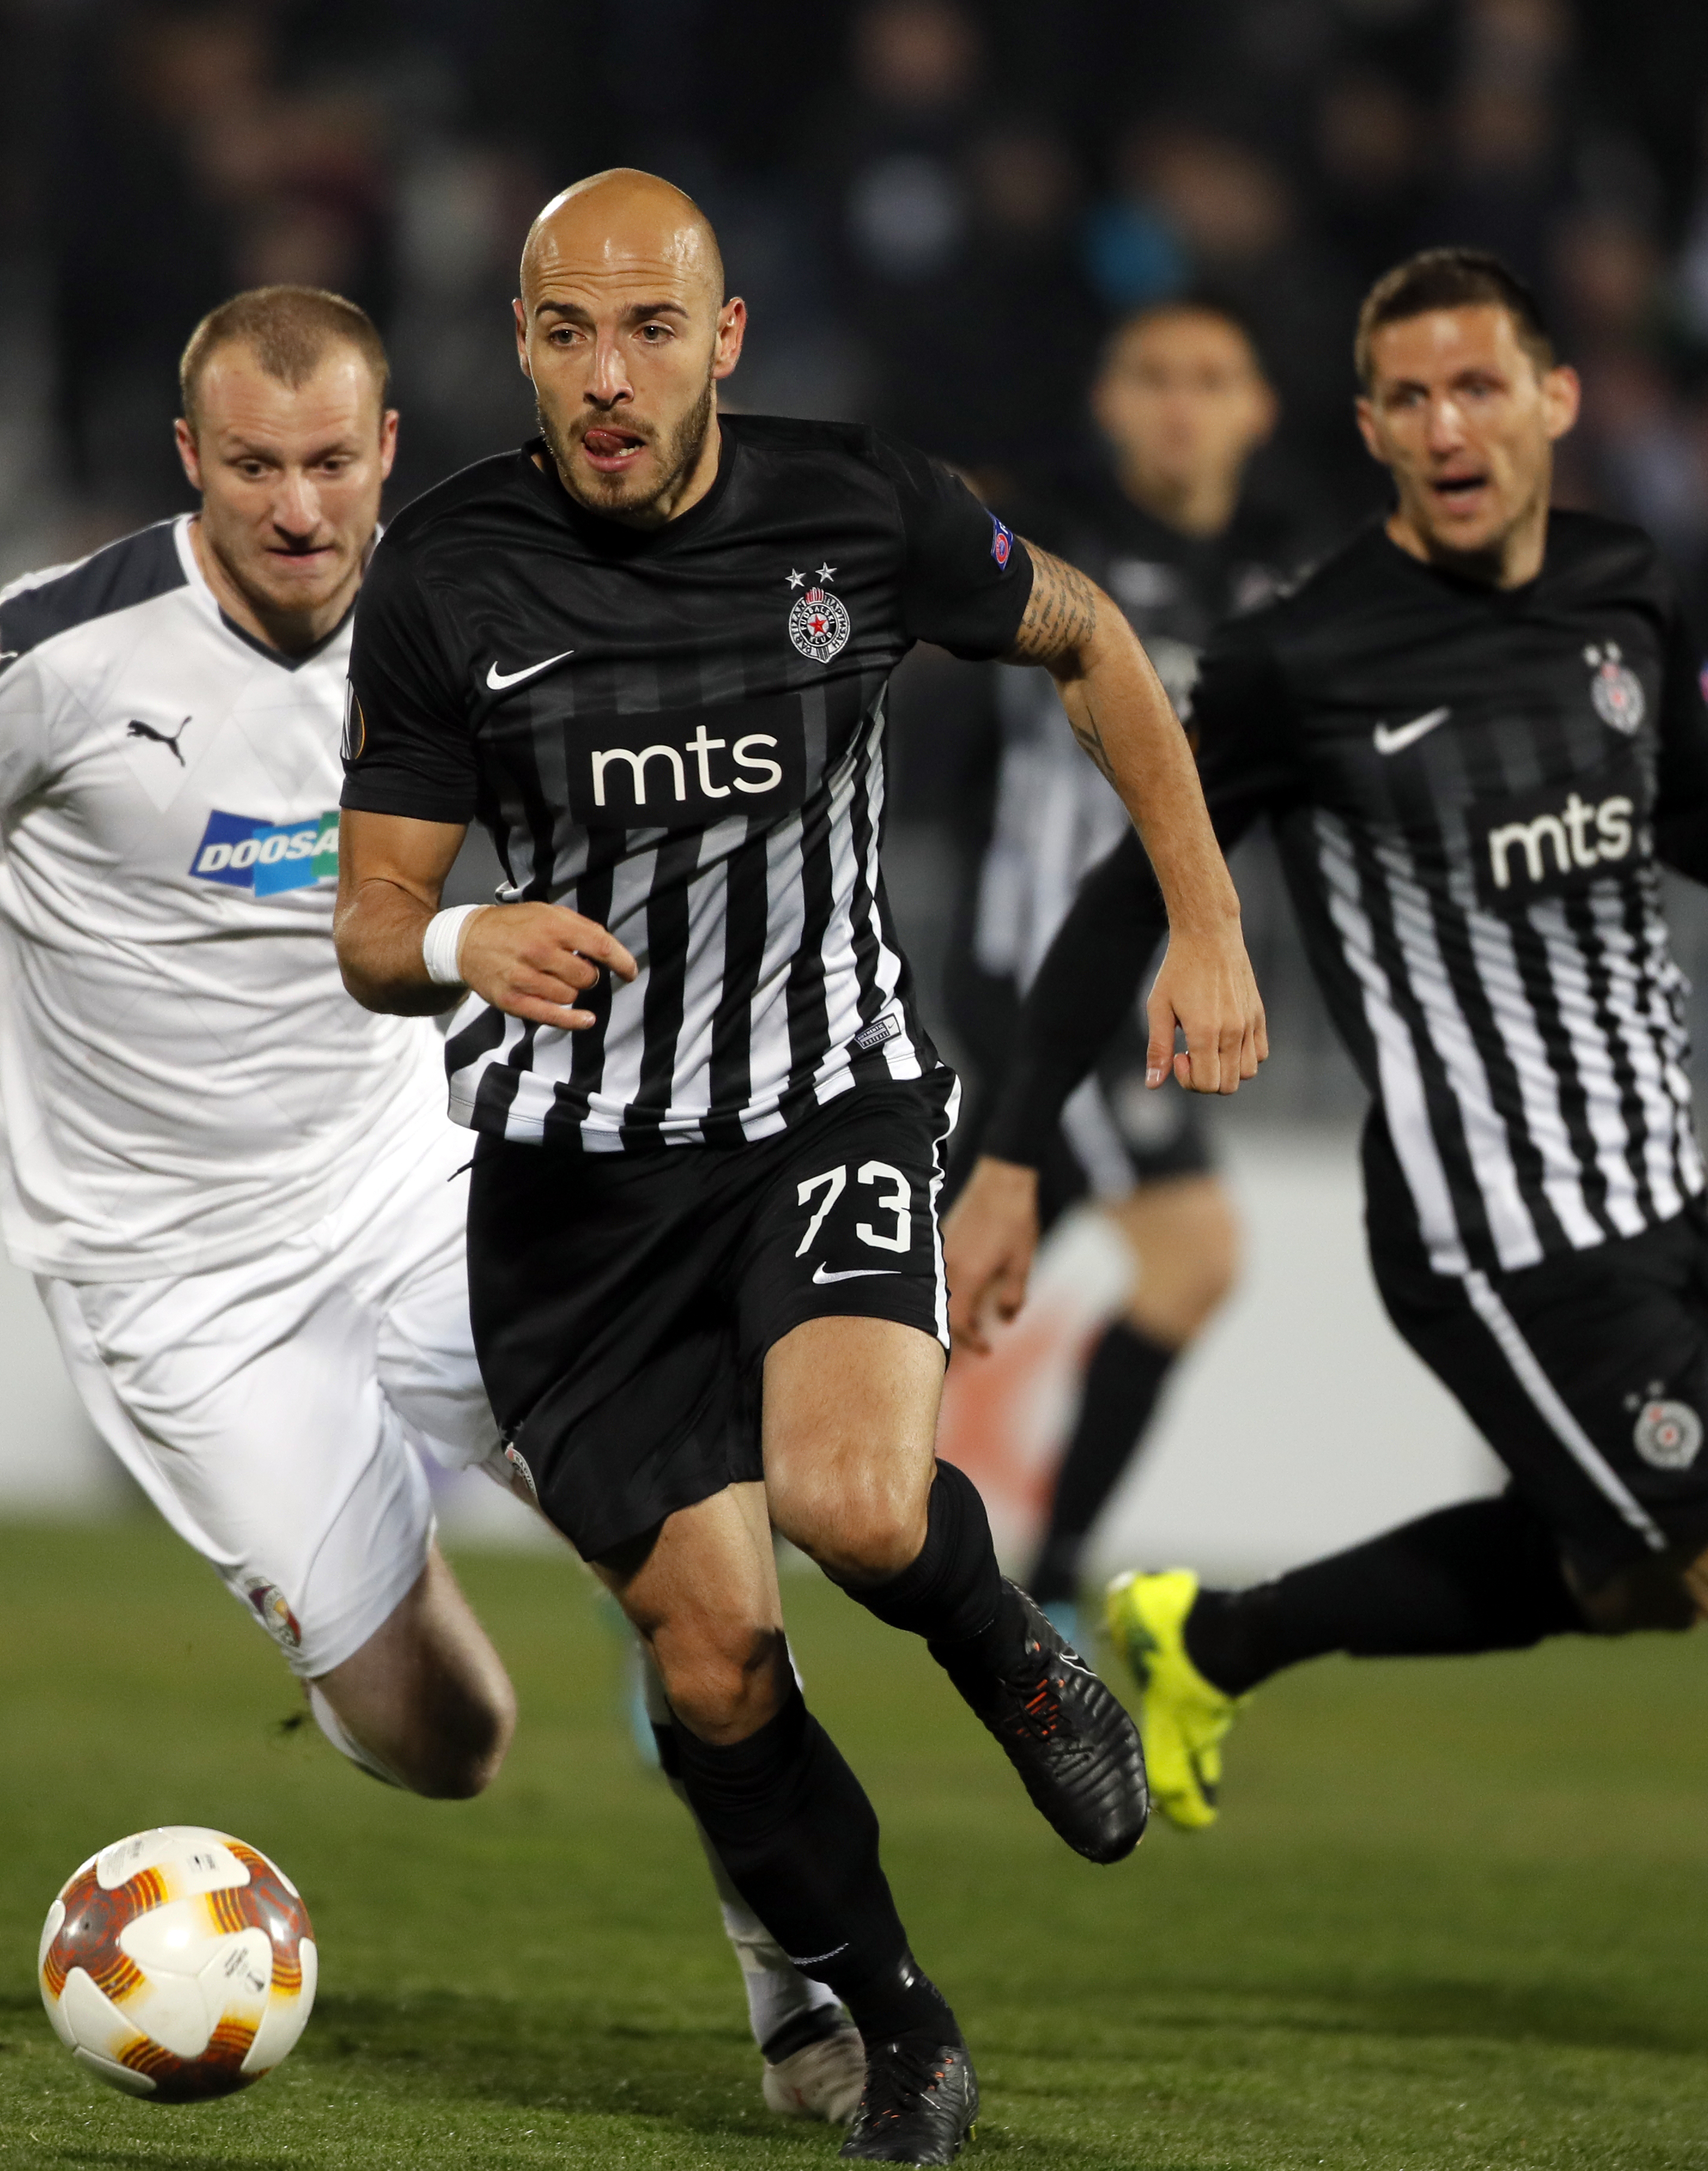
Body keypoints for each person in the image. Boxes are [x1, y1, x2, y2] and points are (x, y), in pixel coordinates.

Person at [944, 248, 1708, 2111]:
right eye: (1410, 402)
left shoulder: (1624, 586)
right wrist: (1013, 1151)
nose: (1450, 429)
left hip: (1654, 1201)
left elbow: (1687, 805)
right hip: (1492, 1229)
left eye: (1480, 389)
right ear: (1367, 433)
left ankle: (1213, 1634)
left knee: (1629, 1581)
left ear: (1555, 400)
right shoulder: (1304, 651)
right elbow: (1127, 895)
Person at [0, 286, 870, 2128]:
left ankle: (807, 1996)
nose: (298, 508)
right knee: (452, 1744)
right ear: (192, 460)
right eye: (258, 467)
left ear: (388, 457)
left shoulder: (470, 611)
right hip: (175, 1287)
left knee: (708, 1597)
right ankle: (384, 1568)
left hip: (419, 1188)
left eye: (333, 463)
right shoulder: (67, 649)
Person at [330, 172, 1263, 2165]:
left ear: (724, 341)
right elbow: (368, 918)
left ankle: (1012, 1650)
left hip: (823, 1103)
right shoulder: (445, 577)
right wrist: (458, 941)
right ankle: (896, 2017)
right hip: (574, 1184)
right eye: (567, 329)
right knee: (713, 1654)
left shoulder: (859, 507)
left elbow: (1091, 639)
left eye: (651, 327)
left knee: (853, 1498)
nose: (608, 372)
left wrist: (1204, 919)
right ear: (517, 340)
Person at [952, 297, 1309, 1629]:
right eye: (1153, 376)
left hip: (1130, 987)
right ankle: (1051, 1594)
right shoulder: (1042, 544)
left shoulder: (1285, 579)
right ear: (1109, 402)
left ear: (1257, 409)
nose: (1180, 404)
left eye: (1211, 378)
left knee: (916, 1304)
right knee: (1194, 1252)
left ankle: (689, 1531)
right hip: (1050, 981)